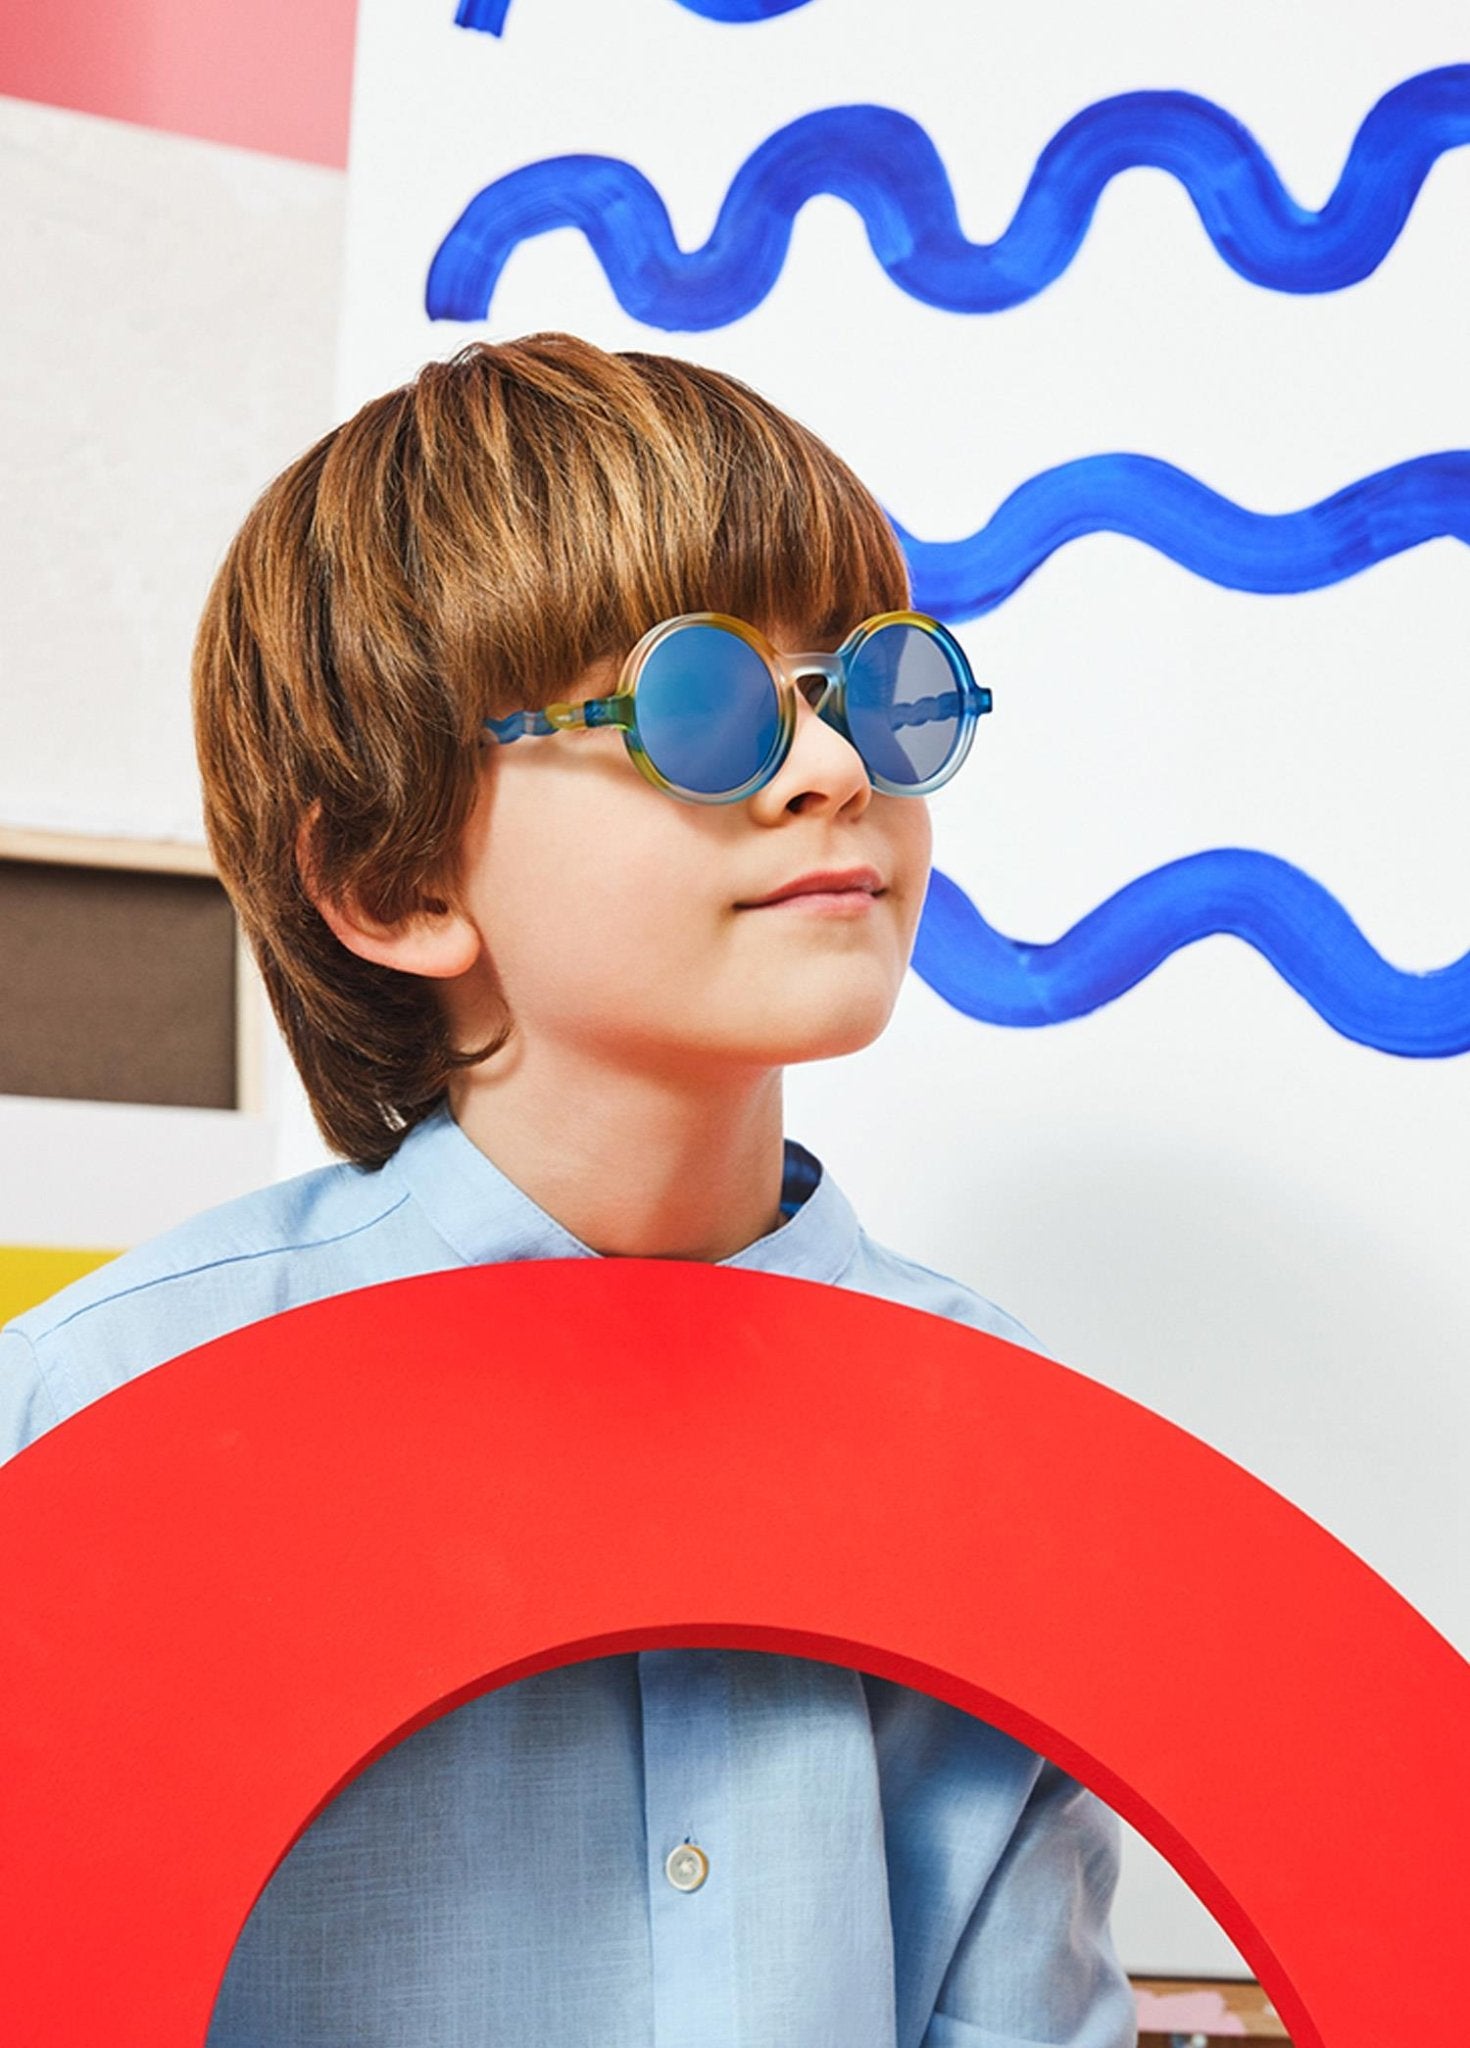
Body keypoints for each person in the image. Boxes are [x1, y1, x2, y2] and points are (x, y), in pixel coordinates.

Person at [0, 333, 1136, 2048]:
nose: (832, 770)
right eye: (699, 706)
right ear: (392, 877)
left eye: (873, 690)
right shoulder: (101, 1407)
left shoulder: (1002, 1435)